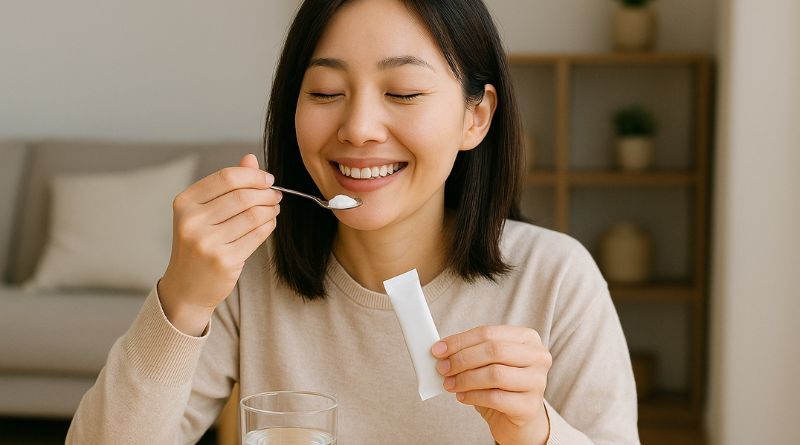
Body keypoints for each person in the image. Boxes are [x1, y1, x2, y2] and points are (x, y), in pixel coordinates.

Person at [67, 0, 639, 443]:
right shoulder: (250, 278)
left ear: (476, 116)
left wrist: (534, 432)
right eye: (326, 91)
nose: (360, 127)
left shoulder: (558, 280)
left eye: (404, 92)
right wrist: (182, 300)